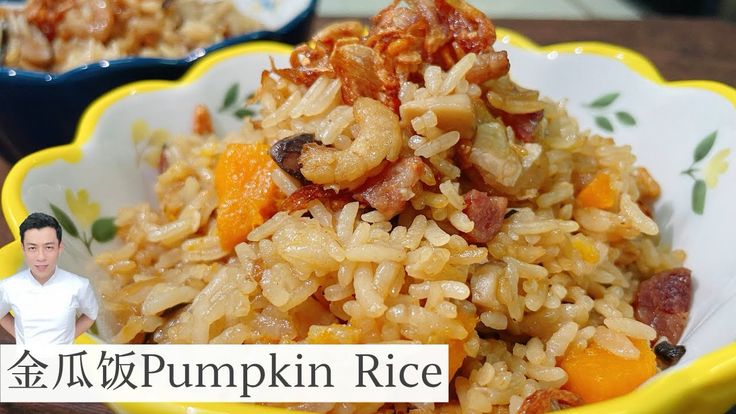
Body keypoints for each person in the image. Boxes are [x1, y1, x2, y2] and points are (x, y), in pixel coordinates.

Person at [0, 212, 99, 345]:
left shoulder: (79, 285)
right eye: (32, 248)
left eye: (48, 247)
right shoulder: (10, 286)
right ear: (23, 249)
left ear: (60, 247)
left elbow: (91, 315)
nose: (41, 257)